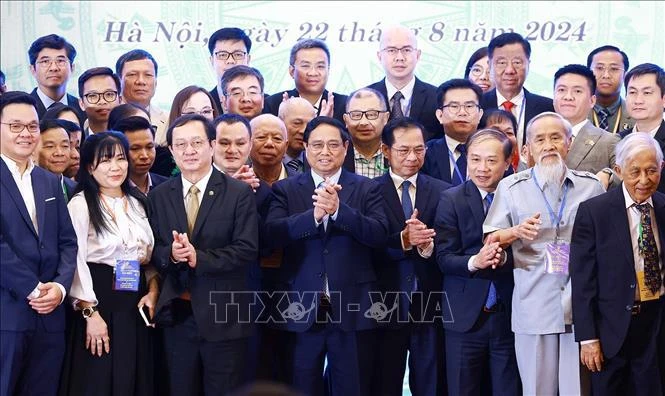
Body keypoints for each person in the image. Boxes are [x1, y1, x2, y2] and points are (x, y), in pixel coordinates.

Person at [264, 117, 388, 396]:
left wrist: (339, 212)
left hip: (353, 308)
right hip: (300, 308)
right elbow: (272, 235)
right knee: (299, 387)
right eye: (317, 144)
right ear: (305, 148)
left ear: (346, 148)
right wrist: (314, 217)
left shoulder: (368, 188)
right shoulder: (286, 189)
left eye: (333, 145)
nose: (325, 151)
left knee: (352, 387)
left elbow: (380, 235)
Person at [483, 111, 605, 395]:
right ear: (527, 149)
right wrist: (514, 232)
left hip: (581, 311)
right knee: (539, 390)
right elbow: (491, 237)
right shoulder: (511, 188)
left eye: (555, 138)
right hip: (534, 308)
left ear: (569, 143)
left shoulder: (591, 187)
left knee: (579, 390)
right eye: (540, 139)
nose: (548, 145)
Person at [149, 114, 258, 395]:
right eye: (181, 144)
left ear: (212, 146)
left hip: (224, 315)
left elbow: (247, 249)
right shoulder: (158, 195)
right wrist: (171, 255)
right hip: (178, 314)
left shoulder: (238, 193)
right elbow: (154, 250)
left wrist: (200, 258)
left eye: (197, 142)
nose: (189, 150)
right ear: (171, 151)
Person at [58, 131, 158, 396]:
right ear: (90, 166)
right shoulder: (81, 204)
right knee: (98, 378)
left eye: (121, 158)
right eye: (105, 160)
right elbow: (75, 260)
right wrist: (90, 313)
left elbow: (148, 257)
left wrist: (152, 289)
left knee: (134, 375)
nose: (116, 167)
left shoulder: (138, 203)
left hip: (133, 299)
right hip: (98, 300)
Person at [571, 132, 665, 395]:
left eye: (651, 171)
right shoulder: (594, 212)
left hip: (656, 324)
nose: (644, 180)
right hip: (611, 329)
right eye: (635, 172)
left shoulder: (663, 206)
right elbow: (582, 280)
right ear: (618, 170)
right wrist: (588, 338)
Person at [0, 91, 77, 396]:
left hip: (51, 317)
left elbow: (68, 242)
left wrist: (59, 288)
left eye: (32, 126)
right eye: (15, 126)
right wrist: (34, 289)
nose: (26, 134)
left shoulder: (48, 180)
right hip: (8, 313)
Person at [436, 128, 520, 396]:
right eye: (475, 159)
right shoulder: (451, 199)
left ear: (508, 163)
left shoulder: (519, 196)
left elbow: (531, 250)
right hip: (464, 317)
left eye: (491, 161)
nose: (482, 168)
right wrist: (475, 261)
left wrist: (503, 256)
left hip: (510, 316)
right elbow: (444, 257)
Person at [371, 117, 449, 396]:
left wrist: (427, 245)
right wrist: (403, 241)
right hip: (382, 300)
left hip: (430, 300)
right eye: (403, 150)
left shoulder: (443, 191)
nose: (413, 157)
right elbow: (367, 243)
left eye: (419, 149)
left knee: (430, 381)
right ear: (385, 151)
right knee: (383, 380)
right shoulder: (368, 192)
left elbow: (451, 243)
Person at [480, 32, 554, 152]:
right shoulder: (477, 106)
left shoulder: (547, 108)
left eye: (517, 62)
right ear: (489, 65)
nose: (509, 70)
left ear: (528, 64)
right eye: (502, 63)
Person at [367, 25, 441, 140]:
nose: (400, 57)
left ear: (418, 55)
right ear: (379, 56)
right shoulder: (365, 98)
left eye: (407, 50)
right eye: (391, 50)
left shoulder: (437, 97)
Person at [553, 64, 620, 173]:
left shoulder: (609, 142)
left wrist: (608, 175)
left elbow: (622, 180)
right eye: (561, 90)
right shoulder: (537, 137)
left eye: (577, 91)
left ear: (592, 101)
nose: (568, 97)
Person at [265, 39, 348, 123]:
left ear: (328, 70)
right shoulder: (273, 104)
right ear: (292, 71)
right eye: (305, 66)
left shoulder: (345, 105)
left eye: (320, 66)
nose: (313, 73)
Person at [421, 79, 483, 185]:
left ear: (480, 115)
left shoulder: (495, 151)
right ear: (440, 115)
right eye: (454, 106)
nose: (462, 112)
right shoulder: (425, 153)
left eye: (469, 106)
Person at [619, 63, 665, 192]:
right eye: (632, 92)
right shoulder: (617, 140)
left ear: (664, 99)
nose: (638, 100)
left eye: (647, 93)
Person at [27, 34, 85, 123]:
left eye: (60, 61)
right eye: (45, 61)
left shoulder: (83, 108)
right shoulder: (24, 108)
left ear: (72, 68)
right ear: (33, 69)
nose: (53, 68)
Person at [116, 49, 168, 145]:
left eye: (148, 75)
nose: (141, 81)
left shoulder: (168, 120)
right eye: (132, 75)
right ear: (118, 81)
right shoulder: (104, 117)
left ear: (155, 82)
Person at [112, 116, 168, 194]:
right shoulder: (110, 190)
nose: (144, 156)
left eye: (149, 147)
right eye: (135, 149)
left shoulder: (168, 187)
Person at [342, 88, 390, 177]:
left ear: (386, 118)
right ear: (346, 120)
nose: (364, 122)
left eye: (372, 114)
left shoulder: (396, 153)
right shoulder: (337, 155)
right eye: (356, 115)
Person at [587, 45, 634, 133]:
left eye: (614, 69)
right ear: (588, 73)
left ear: (625, 75)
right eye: (599, 68)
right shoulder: (574, 112)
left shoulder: (636, 115)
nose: (606, 75)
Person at [207, 27, 253, 115]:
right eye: (223, 55)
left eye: (238, 54)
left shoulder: (267, 104)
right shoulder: (204, 103)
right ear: (212, 61)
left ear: (248, 59)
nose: (230, 61)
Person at [32, 118, 76, 199]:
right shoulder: (28, 189)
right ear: (34, 150)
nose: (59, 153)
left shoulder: (76, 189)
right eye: (50, 146)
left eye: (65, 146)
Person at [249, 114, 293, 185]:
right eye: (261, 137)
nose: (269, 143)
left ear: (286, 146)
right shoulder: (237, 182)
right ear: (248, 143)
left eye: (277, 138)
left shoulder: (301, 185)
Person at [78, 67, 122, 136]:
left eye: (109, 94)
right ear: (81, 104)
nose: (102, 101)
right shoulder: (77, 142)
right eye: (93, 96)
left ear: (120, 100)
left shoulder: (133, 140)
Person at [279, 97, 317, 173]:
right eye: (297, 123)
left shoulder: (318, 165)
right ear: (280, 122)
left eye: (309, 125)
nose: (303, 131)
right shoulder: (260, 161)